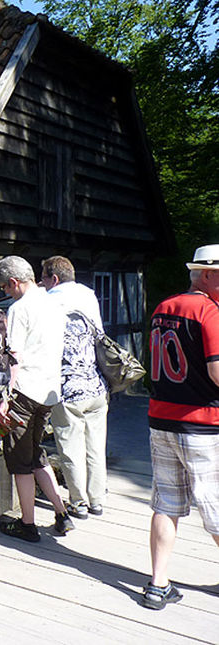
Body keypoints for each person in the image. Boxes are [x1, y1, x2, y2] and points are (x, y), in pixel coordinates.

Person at [144, 244, 219, 610]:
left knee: (166, 503)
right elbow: (217, 372)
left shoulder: (163, 307)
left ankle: (158, 584)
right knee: (215, 503)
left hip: (161, 418)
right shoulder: (209, 311)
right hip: (202, 423)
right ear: (207, 274)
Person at [0, 256, 75, 541]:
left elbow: (14, 357)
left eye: (4, 287)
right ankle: (61, 512)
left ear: (14, 282)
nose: (5, 292)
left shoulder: (19, 308)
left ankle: (27, 524)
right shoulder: (54, 303)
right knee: (35, 452)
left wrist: (6, 398)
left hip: (25, 390)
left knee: (18, 460)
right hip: (50, 390)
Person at [41, 256, 109, 519]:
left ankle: (78, 502)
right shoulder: (89, 295)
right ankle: (97, 500)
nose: (42, 283)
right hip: (96, 384)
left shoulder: (49, 301)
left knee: (70, 447)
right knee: (95, 445)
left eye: (44, 278)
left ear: (53, 278)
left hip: (67, 388)